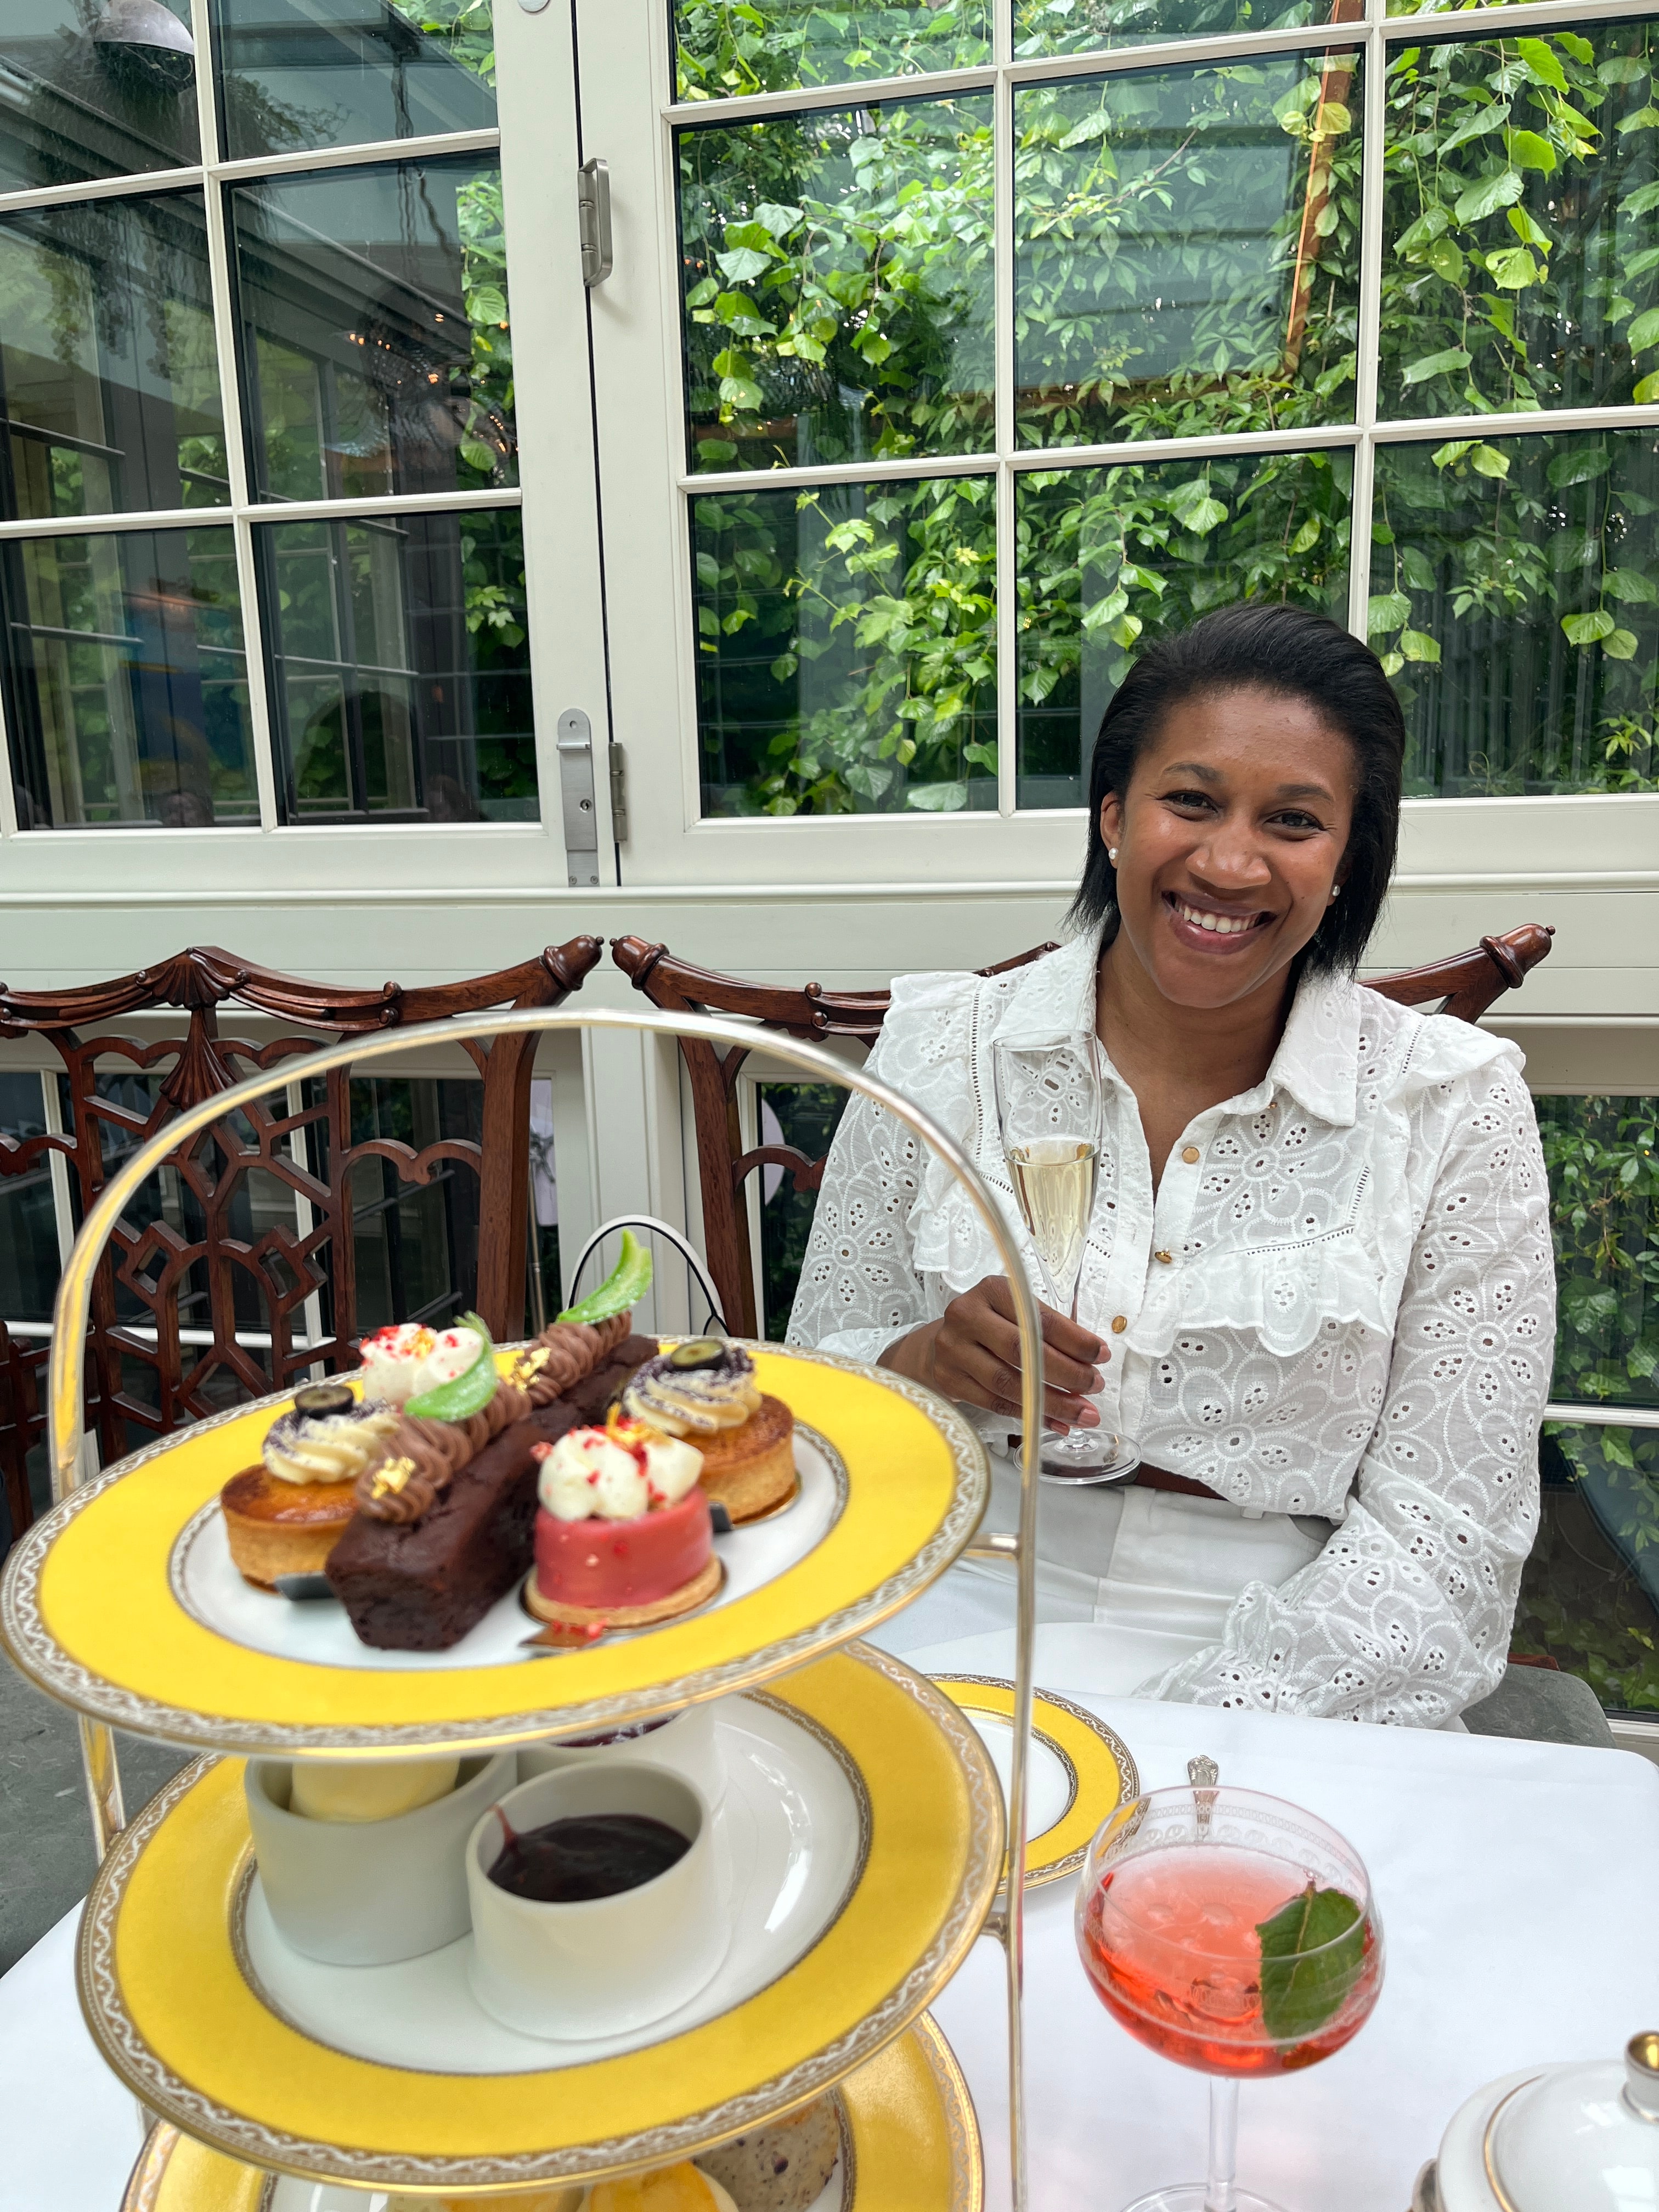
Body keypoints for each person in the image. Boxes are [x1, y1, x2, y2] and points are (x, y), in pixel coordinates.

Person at [788, 603, 1554, 1725]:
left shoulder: (1449, 1106)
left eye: (1293, 820)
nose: (1230, 860)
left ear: (1347, 863)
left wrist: (1190, 1732)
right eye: (1189, 801)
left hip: (1284, 1639)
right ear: (1112, 816)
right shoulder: (944, 1049)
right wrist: (924, 1364)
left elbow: (1446, 1552)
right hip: (945, 1579)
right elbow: (810, 1407)